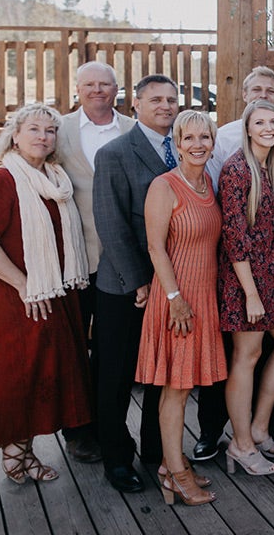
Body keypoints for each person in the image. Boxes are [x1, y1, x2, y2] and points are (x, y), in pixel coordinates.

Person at [0, 103, 92, 483]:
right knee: (18, 375)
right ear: (15, 134)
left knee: (39, 373)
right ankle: (16, 454)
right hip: (13, 295)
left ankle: (23, 450)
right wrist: (23, 284)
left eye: (50, 131)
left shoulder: (56, 178)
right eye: (34, 129)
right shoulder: (0, 180)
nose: (43, 137)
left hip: (53, 289)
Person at [200, 65, 274, 461]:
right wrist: (251, 295)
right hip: (246, 279)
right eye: (261, 122)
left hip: (273, 272)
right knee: (246, 356)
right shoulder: (236, 169)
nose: (269, 127)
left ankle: (259, 425)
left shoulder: (273, 165)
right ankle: (240, 443)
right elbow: (235, 240)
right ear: (248, 127)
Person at [92, 74, 180, 493]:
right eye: (156, 99)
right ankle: (116, 458)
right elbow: (110, 222)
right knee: (117, 374)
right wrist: (139, 281)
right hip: (127, 285)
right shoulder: (115, 153)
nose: (165, 106)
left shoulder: (184, 148)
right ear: (137, 106)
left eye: (171, 99)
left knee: (160, 369)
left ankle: (154, 448)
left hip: (173, 283)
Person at [136, 110, 227, 505]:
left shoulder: (208, 182)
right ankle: (174, 472)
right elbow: (156, 246)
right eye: (188, 138)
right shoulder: (164, 185)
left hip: (203, 297)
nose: (197, 145)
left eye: (204, 137)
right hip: (178, 300)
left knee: (186, 385)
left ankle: (169, 465)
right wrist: (175, 299)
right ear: (175, 143)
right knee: (176, 389)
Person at [55, 60, 133, 463]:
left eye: (105, 84)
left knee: (111, 351)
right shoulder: (60, 130)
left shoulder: (132, 131)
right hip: (73, 259)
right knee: (74, 349)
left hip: (118, 264)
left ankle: (109, 428)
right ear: (78, 88)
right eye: (90, 84)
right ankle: (78, 430)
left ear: (117, 90)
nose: (98, 90)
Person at [209, 66, 274, 190]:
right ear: (245, 95)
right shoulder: (223, 137)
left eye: (270, 91)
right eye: (256, 89)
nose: (263, 95)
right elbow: (213, 183)